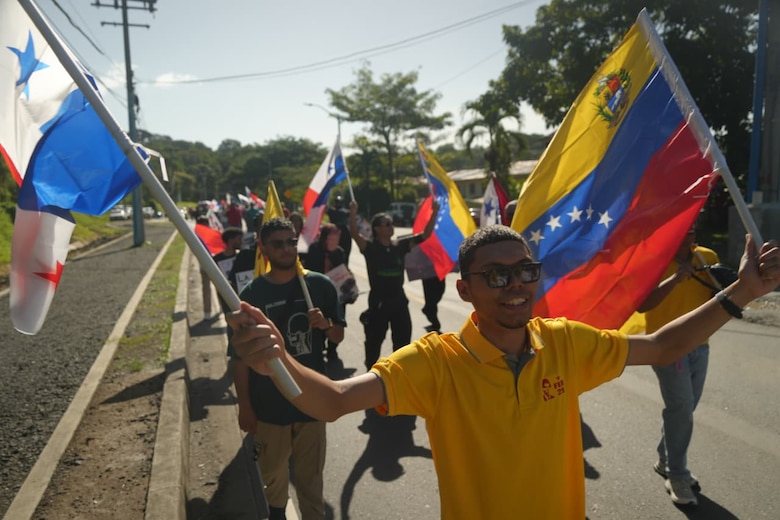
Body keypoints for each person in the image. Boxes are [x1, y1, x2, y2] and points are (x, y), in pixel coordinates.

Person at [227, 225, 779, 519]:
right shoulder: (435, 361)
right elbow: (334, 400)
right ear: (463, 289)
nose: (515, 284)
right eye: (495, 276)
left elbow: (661, 346)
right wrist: (275, 358)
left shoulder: (563, 341)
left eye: (525, 271)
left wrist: (742, 292)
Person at [230, 217, 345, 520]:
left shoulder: (319, 286)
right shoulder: (251, 296)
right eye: (277, 243)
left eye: (291, 241)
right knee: (273, 475)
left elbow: (338, 336)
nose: (286, 248)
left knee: (311, 479)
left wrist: (326, 324)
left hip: (312, 402)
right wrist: (245, 405)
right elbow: (239, 359)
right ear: (263, 249)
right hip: (269, 405)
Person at [636, 226, 722, 506]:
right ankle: (677, 475)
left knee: (684, 407)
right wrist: (675, 279)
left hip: (701, 344)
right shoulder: (654, 260)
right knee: (681, 407)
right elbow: (642, 305)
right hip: (667, 347)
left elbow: (715, 297)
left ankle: (665, 459)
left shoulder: (707, 256)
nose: (689, 232)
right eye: (683, 228)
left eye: (693, 228)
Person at [349, 199, 439, 369]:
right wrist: (353, 213)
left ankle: (400, 374)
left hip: (398, 300)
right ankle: (371, 373)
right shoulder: (370, 248)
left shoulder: (400, 245)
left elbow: (425, 235)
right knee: (374, 341)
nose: (391, 226)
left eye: (391, 223)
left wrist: (434, 212)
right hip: (379, 302)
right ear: (377, 229)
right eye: (387, 223)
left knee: (403, 342)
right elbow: (354, 234)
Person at [304, 222, 348, 360]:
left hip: (336, 291)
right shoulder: (314, 249)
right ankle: (320, 346)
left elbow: (343, 270)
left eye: (336, 238)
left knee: (337, 320)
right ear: (324, 238)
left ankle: (333, 349)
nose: (334, 241)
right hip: (319, 291)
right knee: (320, 320)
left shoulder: (339, 252)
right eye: (331, 238)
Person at [211, 227, 244, 315]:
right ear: (230, 240)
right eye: (239, 239)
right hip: (227, 296)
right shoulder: (216, 259)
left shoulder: (242, 256)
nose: (241, 242)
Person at [327, 195, 353, 265]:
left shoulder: (346, 213)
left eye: (339, 202)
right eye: (336, 202)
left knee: (345, 255)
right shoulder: (331, 211)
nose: (338, 204)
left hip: (344, 235)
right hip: (333, 234)